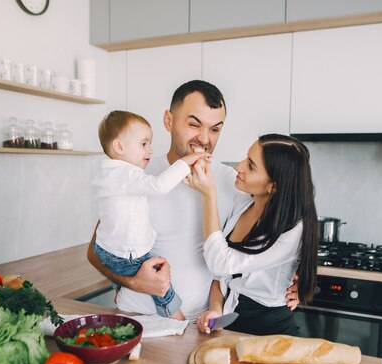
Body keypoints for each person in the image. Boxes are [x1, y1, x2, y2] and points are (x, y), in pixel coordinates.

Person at [87, 80, 300, 320]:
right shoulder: (137, 176)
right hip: (137, 318)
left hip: (199, 326)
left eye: (215, 129)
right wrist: (134, 282)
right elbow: (96, 251)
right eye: (193, 124)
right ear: (169, 121)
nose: (204, 139)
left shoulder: (235, 182)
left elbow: (277, 225)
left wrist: (293, 274)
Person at [186, 133, 318, 336]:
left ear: (273, 186)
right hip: (231, 325)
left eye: (251, 166)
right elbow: (221, 276)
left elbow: (219, 262)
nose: (239, 166)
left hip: (270, 331)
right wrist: (215, 309)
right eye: (246, 158)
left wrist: (208, 195)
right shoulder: (245, 203)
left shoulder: (292, 230)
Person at [92, 110, 209, 319]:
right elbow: (159, 185)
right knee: (160, 280)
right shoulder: (126, 173)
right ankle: (174, 316)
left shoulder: (108, 173)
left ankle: (120, 287)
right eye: (144, 144)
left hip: (104, 248)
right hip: (126, 255)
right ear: (119, 147)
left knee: (145, 264)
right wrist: (187, 162)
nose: (150, 149)